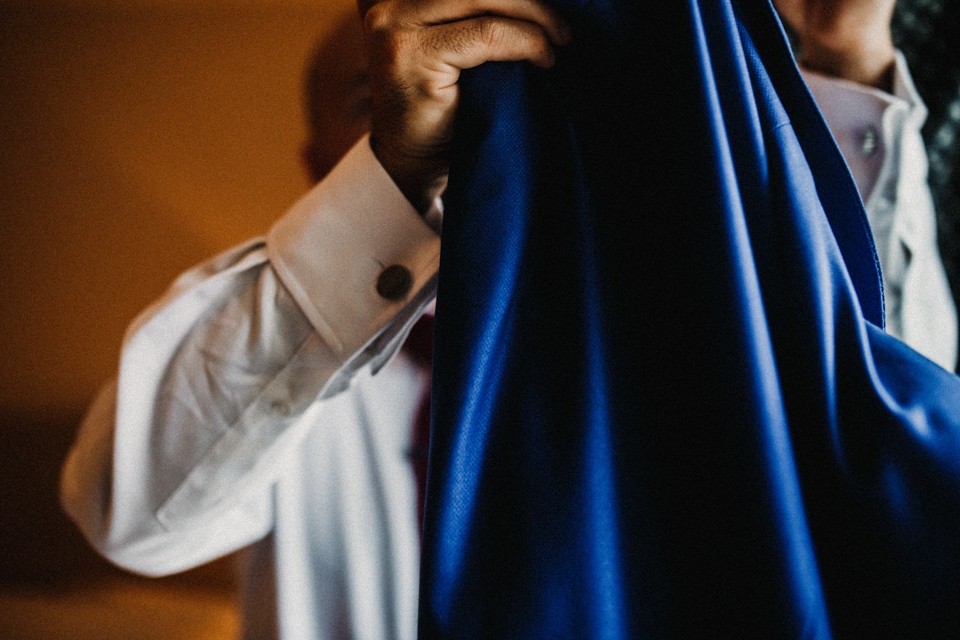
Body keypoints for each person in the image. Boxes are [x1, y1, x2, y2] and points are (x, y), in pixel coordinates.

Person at [60, 1, 957, 639]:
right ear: (315, 156)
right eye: (367, 102)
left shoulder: (690, 352)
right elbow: (130, 515)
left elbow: (898, 445)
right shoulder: (283, 359)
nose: (469, 119)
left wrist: (839, 72)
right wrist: (396, 179)